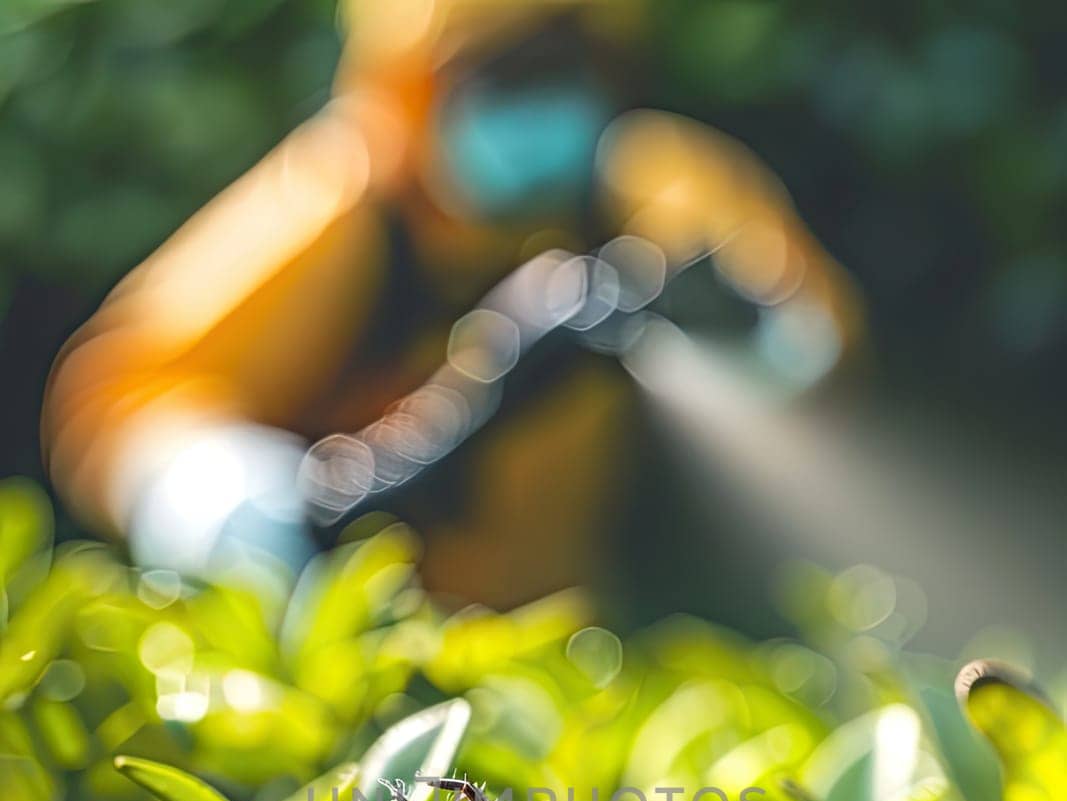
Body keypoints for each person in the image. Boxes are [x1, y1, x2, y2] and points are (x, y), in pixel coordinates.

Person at [42, 0, 861, 611]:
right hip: (343, 654)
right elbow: (120, 394)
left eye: (566, 60)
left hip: (561, 652)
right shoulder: (346, 209)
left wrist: (753, 334)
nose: (544, 96)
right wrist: (228, 501)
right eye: (506, 72)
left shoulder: (646, 187)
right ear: (412, 89)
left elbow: (820, 344)